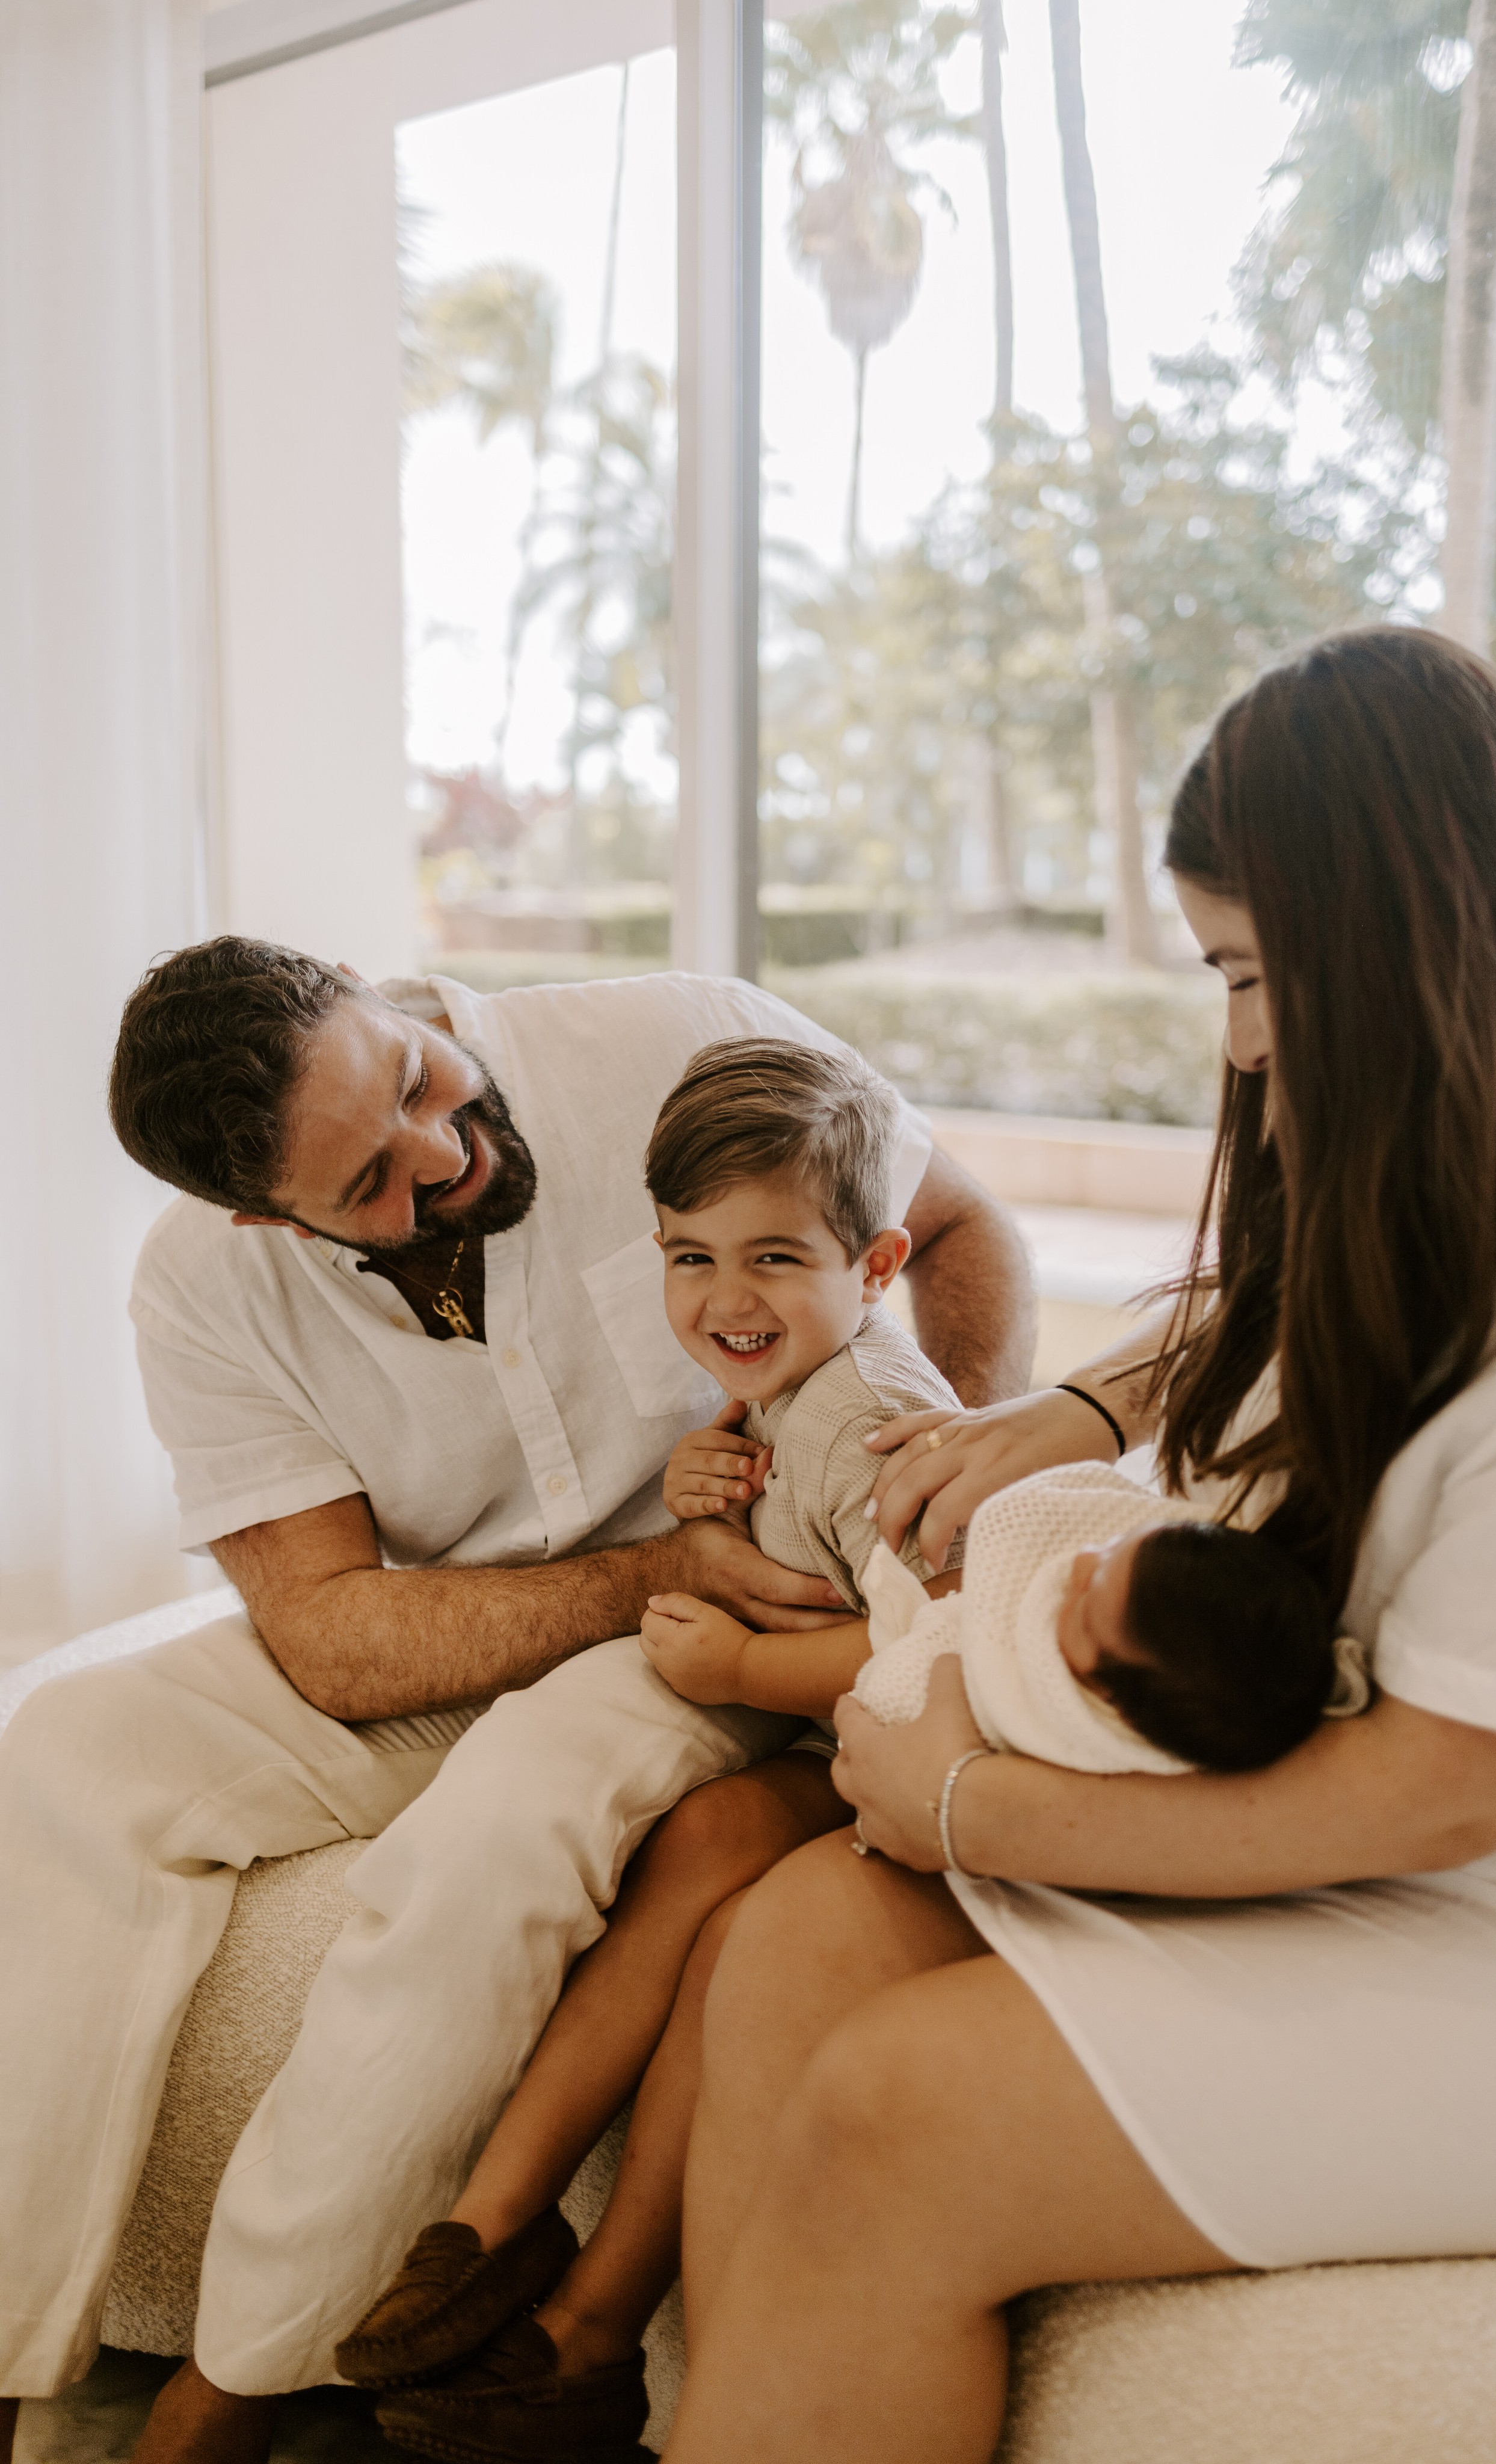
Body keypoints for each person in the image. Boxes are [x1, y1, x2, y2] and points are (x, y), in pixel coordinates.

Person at [659, 627, 1496, 2464]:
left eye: (1256, 974)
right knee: (799, 1939)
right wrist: (1071, 1410)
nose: (1242, 1041)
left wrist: (968, 1804)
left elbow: (1436, 1797)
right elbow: (1270, 1292)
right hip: (1425, 1836)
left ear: (1402, 944)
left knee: (904, 2112)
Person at [0, 948, 1033, 2464]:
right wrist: (648, 1568)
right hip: (459, 1624)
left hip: (726, 1607)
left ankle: (232, 2384)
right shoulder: (204, 1284)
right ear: (261, 1216)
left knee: (492, 1841)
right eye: (369, 1181)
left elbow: (954, 1225)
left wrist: (921, 1504)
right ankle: (23, 2345)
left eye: (414, 1079)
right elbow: (335, 1643)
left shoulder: (680, 1036)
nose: (442, 1147)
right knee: (57, 1751)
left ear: (372, 992)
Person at [334, 1036, 968, 2461]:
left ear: (876, 1266)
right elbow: (784, 1473)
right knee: (695, 1845)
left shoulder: (877, 1418)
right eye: (689, 1259)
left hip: (919, 1744)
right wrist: (711, 1486)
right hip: (838, 1738)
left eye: (770, 1261)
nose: (725, 1300)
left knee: (731, 1911)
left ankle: (535, 2268)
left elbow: (937, 1648)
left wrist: (740, 1661)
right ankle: (489, 2233)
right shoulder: (806, 1376)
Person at [855, 1461, 1350, 1776]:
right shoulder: (1163, 1584)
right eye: (1111, 1549)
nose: (1079, 1564)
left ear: (1112, 1695)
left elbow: (896, 1693)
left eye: (1086, 1601)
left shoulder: (1064, 1738)